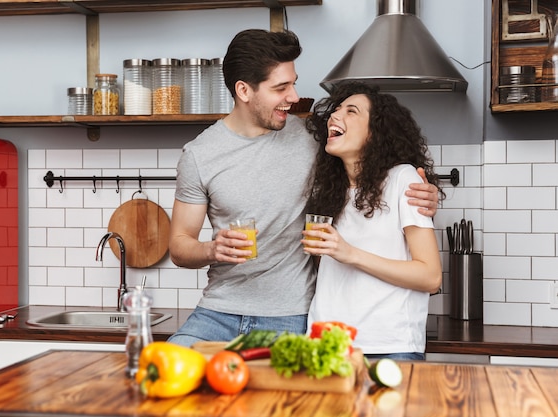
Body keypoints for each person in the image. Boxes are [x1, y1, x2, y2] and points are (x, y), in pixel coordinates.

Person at [167, 29, 439, 347]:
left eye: (293, 83)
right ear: (243, 90)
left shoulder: (313, 138)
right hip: (216, 312)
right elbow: (179, 246)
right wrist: (211, 249)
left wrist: (423, 194)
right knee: (161, 376)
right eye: (281, 87)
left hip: (290, 315)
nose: (294, 96)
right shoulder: (199, 155)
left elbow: (373, 159)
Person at [303, 82, 444, 361]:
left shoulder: (404, 180)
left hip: (389, 345)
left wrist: (349, 253)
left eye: (351, 111)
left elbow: (430, 277)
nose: (335, 116)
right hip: (328, 345)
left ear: (376, 133)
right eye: (336, 110)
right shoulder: (330, 192)